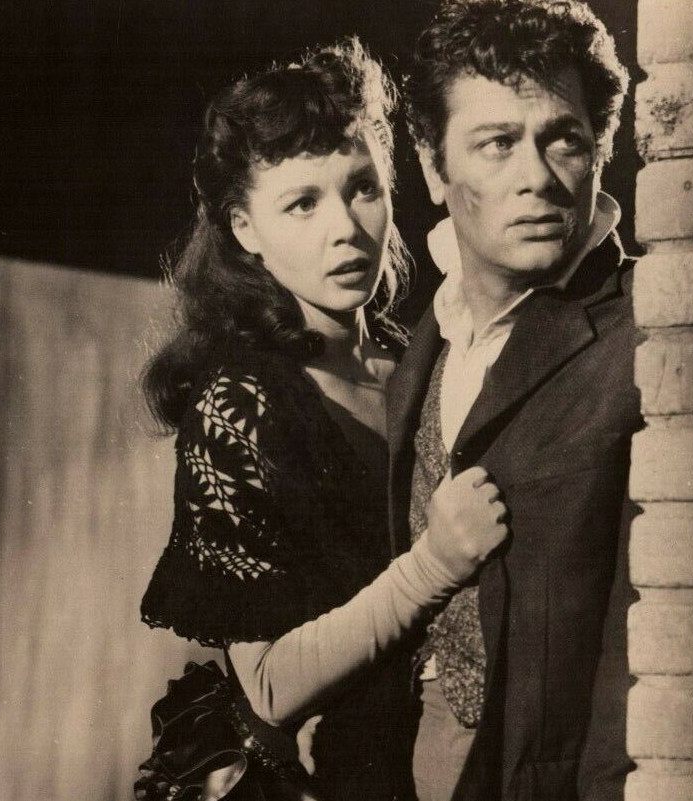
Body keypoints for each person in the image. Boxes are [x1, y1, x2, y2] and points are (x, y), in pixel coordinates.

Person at [137, 39, 509, 801]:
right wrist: (435, 564)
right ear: (245, 229)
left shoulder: (425, 354)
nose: (346, 227)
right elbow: (270, 686)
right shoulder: (239, 406)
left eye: (362, 188)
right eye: (302, 202)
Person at [388, 2, 638, 800]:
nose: (536, 176)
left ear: (600, 152)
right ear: (434, 169)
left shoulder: (646, 335)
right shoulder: (423, 341)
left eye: (564, 139)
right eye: (497, 143)